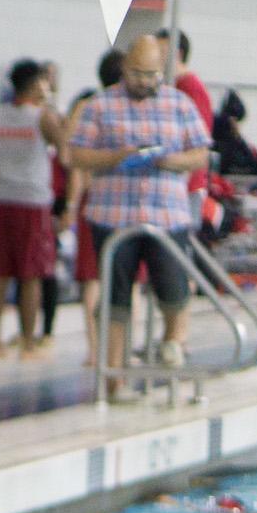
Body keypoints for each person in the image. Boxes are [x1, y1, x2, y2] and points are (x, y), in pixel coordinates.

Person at [68, 35, 212, 397]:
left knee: (174, 289)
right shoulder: (100, 106)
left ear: (161, 71)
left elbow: (200, 154)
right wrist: (118, 157)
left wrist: (170, 161)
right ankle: (113, 376)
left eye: (150, 75)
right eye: (136, 74)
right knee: (115, 300)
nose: (144, 82)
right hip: (112, 215)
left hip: (166, 215)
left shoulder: (180, 104)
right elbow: (77, 156)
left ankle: (172, 342)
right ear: (124, 69)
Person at [0, 59, 67, 360]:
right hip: (32, 202)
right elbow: (66, 147)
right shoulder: (42, 117)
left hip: (2, 199)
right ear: (34, 86)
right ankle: (29, 343)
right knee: (30, 275)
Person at [65, 50, 126, 365]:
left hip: (91, 198)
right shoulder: (129, 111)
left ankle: (94, 350)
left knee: (92, 279)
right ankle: (121, 351)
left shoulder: (85, 108)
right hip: (124, 198)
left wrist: (71, 203)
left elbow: (70, 159)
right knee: (124, 279)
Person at [156, 29, 214, 131]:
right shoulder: (172, 84)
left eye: (161, 51)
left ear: (178, 54)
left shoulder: (191, 87)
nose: (155, 57)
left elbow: (200, 131)